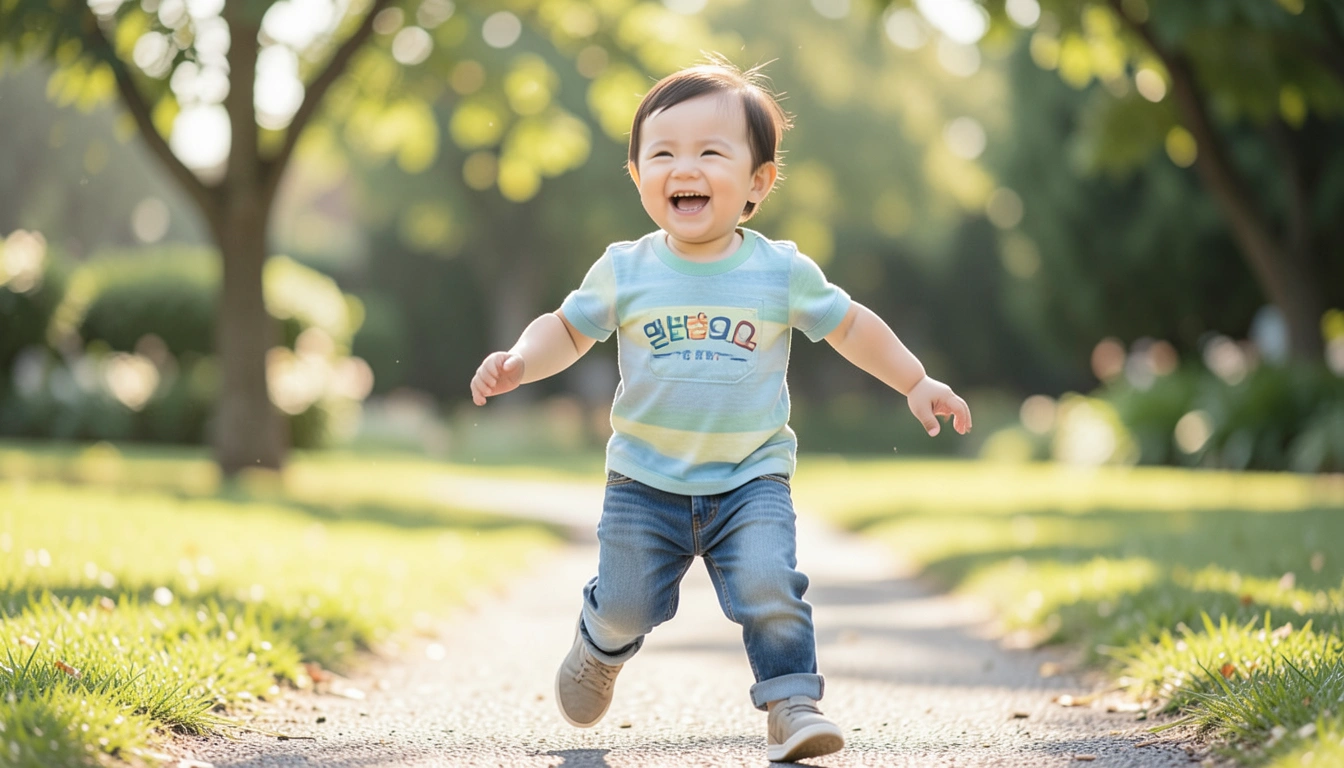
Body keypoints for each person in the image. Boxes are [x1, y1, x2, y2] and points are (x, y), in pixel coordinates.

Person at [469, 57, 972, 763]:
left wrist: (916, 381)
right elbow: (568, 327)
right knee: (625, 602)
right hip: (645, 482)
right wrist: (522, 359)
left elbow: (852, 325)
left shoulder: (778, 272)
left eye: (711, 152)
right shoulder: (626, 269)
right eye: (663, 152)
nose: (685, 167)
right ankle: (599, 644)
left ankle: (792, 704)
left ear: (758, 182)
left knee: (771, 585)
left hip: (750, 478)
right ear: (639, 174)